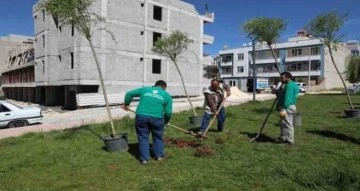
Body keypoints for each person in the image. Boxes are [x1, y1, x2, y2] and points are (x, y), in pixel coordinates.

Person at [122, 80, 173, 164]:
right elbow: (168, 113)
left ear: (155, 85)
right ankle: (159, 156)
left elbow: (129, 94)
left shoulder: (145, 90)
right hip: (157, 118)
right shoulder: (167, 96)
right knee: (157, 137)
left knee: (143, 137)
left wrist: (126, 104)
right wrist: (165, 121)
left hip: (141, 116)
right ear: (164, 87)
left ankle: (144, 159)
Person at [277, 72, 299, 144]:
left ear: (288, 78)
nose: (281, 79)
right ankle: (283, 137)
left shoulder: (289, 85)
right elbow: (283, 95)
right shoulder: (291, 84)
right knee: (283, 123)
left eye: (282, 78)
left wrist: (284, 108)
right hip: (288, 106)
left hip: (287, 107)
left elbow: (288, 98)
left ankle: (289, 141)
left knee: (288, 124)